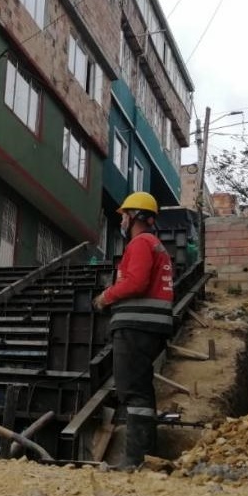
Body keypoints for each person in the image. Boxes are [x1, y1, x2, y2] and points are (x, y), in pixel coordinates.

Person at [92, 191, 174, 470]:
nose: (123, 220)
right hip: (148, 327)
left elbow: (136, 283)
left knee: (132, 390)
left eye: (125, 215)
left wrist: (106, 297)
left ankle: (136, 461)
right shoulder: (154, 245)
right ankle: (143, 457)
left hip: (136, 326)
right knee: (140, 389)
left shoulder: (141, 244)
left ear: (137, 216)